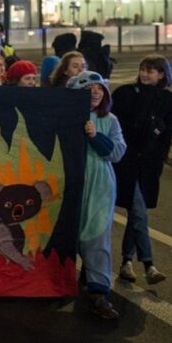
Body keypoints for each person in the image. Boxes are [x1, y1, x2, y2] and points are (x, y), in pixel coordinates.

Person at [112, 55, 172, 286]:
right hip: (126, 163)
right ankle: (149, 265)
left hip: (149, 165)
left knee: (135, 212)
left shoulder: (167, 99)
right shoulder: (125, 93)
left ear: (162, 74)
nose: (146, 74)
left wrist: (161, 158)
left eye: (152, 71)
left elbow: (167, 132)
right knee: (138, 211)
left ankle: (127, 262)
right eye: (143, 69)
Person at [67, 71, 126, 320]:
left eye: (99, 89)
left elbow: (118, 152)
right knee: (69, 233)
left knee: (98, 235)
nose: (95, 92)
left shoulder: (109, 119)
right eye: (89, 88)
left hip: (100, 185)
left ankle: (98, 293)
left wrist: (95, 136)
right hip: (70, 182)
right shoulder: (65, 117)